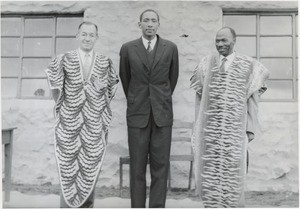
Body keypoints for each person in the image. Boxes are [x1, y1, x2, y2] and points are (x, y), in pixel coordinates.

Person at [190, 27, 270, 208]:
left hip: (235, 133)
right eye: (217, 41)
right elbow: (199, 99)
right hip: (210, 134)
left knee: (233, 176)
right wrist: (198, 128)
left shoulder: (249, 66)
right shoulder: (205, 64)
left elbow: (253, 101)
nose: (220, 44)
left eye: (224, 41)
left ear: (234, 40)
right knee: (210, 177)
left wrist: (249, 130)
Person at [45, 21, 119, 208]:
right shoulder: (64, 59)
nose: (87, 38)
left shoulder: (105, 62)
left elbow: (110, 90)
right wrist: (68, 109)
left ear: (97, 38)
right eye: (84, 34)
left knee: (90, 169)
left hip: (93, 128)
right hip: (68, 127)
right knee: (67, 169)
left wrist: (95, 107)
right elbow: (55, 89)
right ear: (77, 36)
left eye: (91, 35)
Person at [119, 9, 179, 208]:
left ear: (159, 24)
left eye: (154, 21)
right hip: (138, 116)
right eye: (146, 21)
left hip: (162, 115)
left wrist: (158, 99)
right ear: (140, 24)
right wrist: (138, 100)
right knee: (137, 167)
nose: (150, 24)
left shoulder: (170, 48)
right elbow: (126, 80)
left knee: (160, 167)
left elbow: (172, 79)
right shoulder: (128, 49)